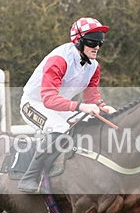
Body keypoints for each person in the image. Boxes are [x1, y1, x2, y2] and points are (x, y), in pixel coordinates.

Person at [17, 17, 117, 193]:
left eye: (100, 41)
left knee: (89, 123)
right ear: (78, 40)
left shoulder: (94, 66)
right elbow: (48, 99)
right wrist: (80, 107)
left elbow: (92, 97)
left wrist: (103, 107)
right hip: (34, 103)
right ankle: (30, 176)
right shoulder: (59, 59)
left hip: (60, 105)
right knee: (61, 127)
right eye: (93, 41)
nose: (97, 46)